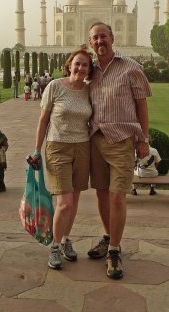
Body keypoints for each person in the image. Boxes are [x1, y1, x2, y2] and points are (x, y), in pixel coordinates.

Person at [88, 22, 151, 279]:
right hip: (95, 139)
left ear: (112, 38)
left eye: (103, 36)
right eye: (95, 38)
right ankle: (108, 236)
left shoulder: (131, 68)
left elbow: (142, 106)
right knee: (102, 195)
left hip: (122, 140)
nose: (100, 41)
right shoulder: (89, 70)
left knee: (116, 197)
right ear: (91, 42)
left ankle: (114, 250)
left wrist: (143, 139)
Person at [32, 46, 93, 270]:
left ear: (89, 69)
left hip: (82, 147)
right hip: (57, 147)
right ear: (69, 65)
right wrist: (37, 149)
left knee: (74, 200)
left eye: (85, 64)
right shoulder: (55, 86)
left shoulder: (88, 89)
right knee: (64, 203)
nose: (80, 67)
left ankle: (66, 240)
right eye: (77, 63)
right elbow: (43, 120)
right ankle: (55, 246)